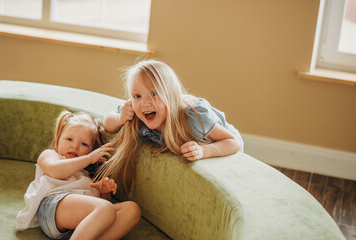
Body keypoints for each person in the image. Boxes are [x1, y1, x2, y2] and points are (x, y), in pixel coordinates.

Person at [97, 59, 244, 197]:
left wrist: (203, 150)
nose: (144, 103)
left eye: (154, 94)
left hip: (223, 147)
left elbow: (232, 142)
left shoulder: (193, 119)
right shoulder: (136, 112)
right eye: (137, 96)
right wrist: (120, 118)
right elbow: (107, 123)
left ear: (170, 96)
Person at [16, 111, 141, 240]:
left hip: (78, 228)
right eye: (69, 139)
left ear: (92, 149)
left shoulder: (86, 175)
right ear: (57, 140)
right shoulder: (51, 155)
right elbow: (55, 171)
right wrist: (88, 158)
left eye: (84, 144)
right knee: (105, 209)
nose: (75, 146)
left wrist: (103, 192)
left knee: (131, 209)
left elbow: (101, 218)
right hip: (53, 207)